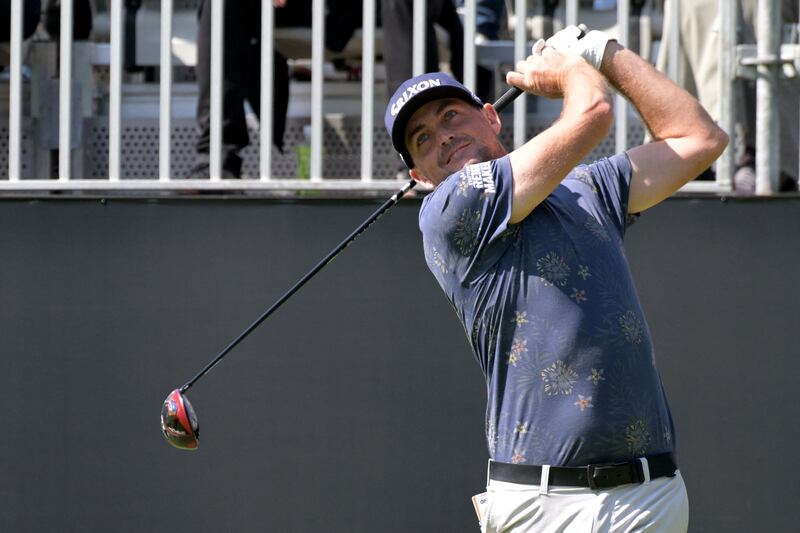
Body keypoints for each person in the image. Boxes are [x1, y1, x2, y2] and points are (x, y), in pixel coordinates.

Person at [383, 24, 727, 531]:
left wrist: (604, 52)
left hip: (648, 495)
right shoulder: (446, 210)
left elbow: (698, 137)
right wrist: (571, 69)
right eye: (422, 139)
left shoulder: (588, 188)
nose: (443, 137)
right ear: (420, 177)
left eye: (451, 116)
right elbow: (593, 113)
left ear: (491, 117)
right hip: (540, 503)